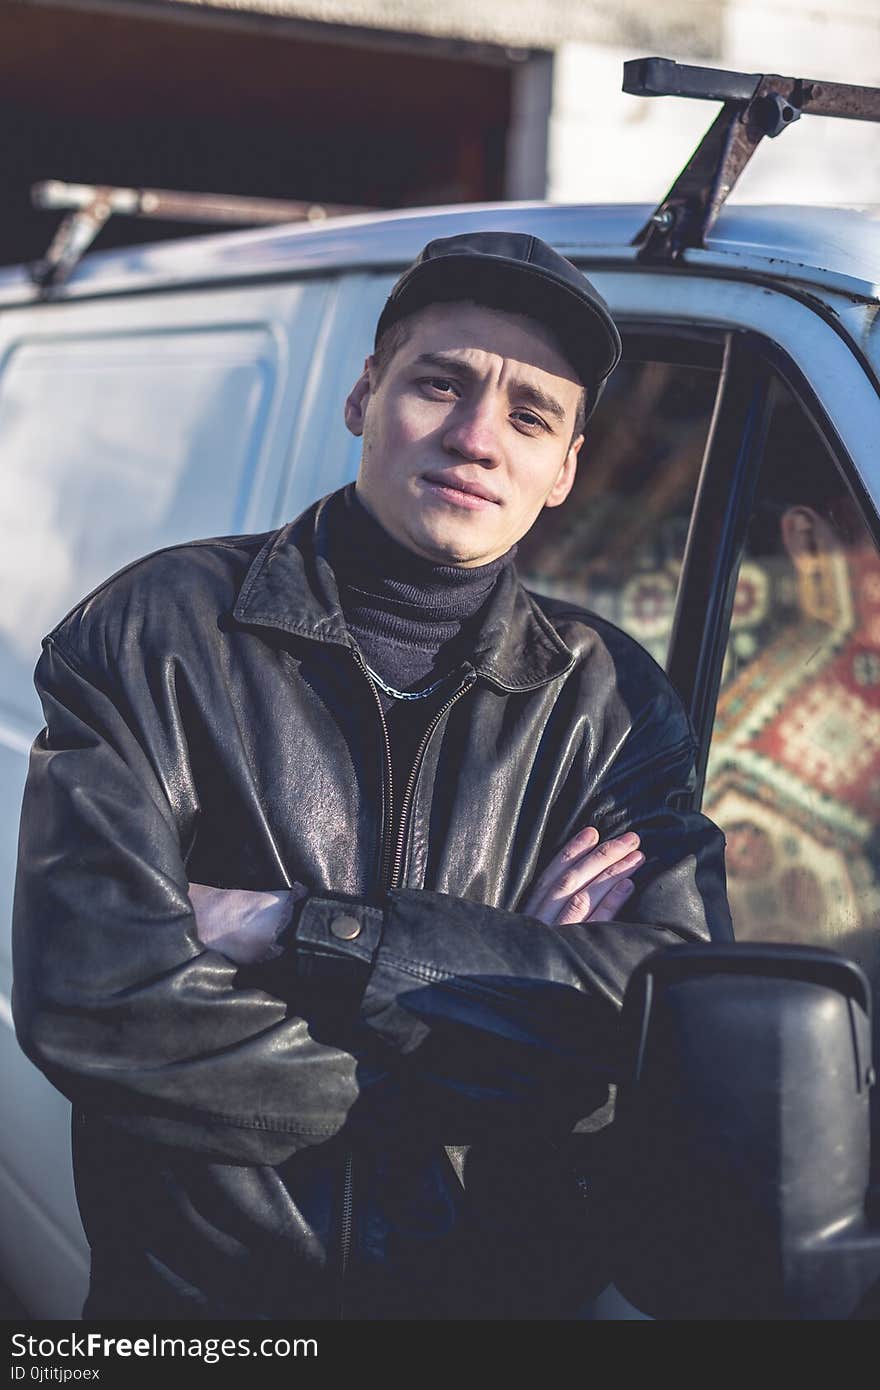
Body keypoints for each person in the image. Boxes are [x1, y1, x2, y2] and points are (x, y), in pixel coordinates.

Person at [12, 231, 732, 1321]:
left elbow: (663, 1018)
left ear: (564, 470)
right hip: (202, 1311)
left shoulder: (611, 705)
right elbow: (95, 996)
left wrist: (294, 928)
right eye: (439, 383)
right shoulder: (160, 628)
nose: (478, 437)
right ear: (362, 395)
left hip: (491, 1305)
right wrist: (495, 1034)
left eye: (530, 414)